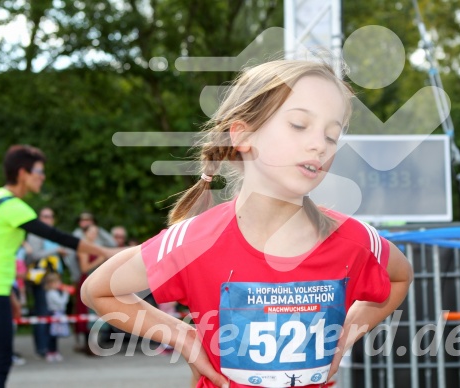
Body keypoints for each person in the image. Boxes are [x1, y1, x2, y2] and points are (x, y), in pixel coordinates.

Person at [82, 60, 413, 388]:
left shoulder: (353, 239)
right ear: (243, 135)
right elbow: (98, 290)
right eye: (299, 124)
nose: (320, 145)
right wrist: (184, 338)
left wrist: (343, 338)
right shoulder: (194, 240)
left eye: (332, 134)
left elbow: (400, 276)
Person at [0, 144, 118, 388]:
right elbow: (60, 237)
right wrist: (105, 251)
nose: (42, 176)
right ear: (22, 173)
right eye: (38, 170)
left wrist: (11, 298)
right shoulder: (13, 207)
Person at [25, 207, 67, 359]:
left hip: (55, 279)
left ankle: (51, 348)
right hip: (42, 281)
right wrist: (56, 249)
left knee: (53, 313)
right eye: (44, 216)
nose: (47, 219)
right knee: (42, 313)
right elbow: (33, 255)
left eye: (50, 216)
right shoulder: (35, 234)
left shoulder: (53, 234)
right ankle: (42, 347)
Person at [75, 224, 108, 355]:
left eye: (96, 232)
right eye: (92, 232)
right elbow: (84, 268)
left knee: (97, 312)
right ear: (85, 233)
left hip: (97, 280)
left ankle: (95, 344)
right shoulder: (83, 249)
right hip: (87, 280)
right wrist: (100, 259)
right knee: (87, 312)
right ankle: (88, 346)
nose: (94, 235)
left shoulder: (97, 247)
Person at [43, 272, 74, 362]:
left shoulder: (54, 292)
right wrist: (66, 293)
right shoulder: (51, 293)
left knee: (55, 335)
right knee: (51, 335)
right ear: (50, 284)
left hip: (58, 313)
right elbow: (61, 303)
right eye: (56, 283)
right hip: (53, 314)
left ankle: (54, 351)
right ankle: (50, 352)